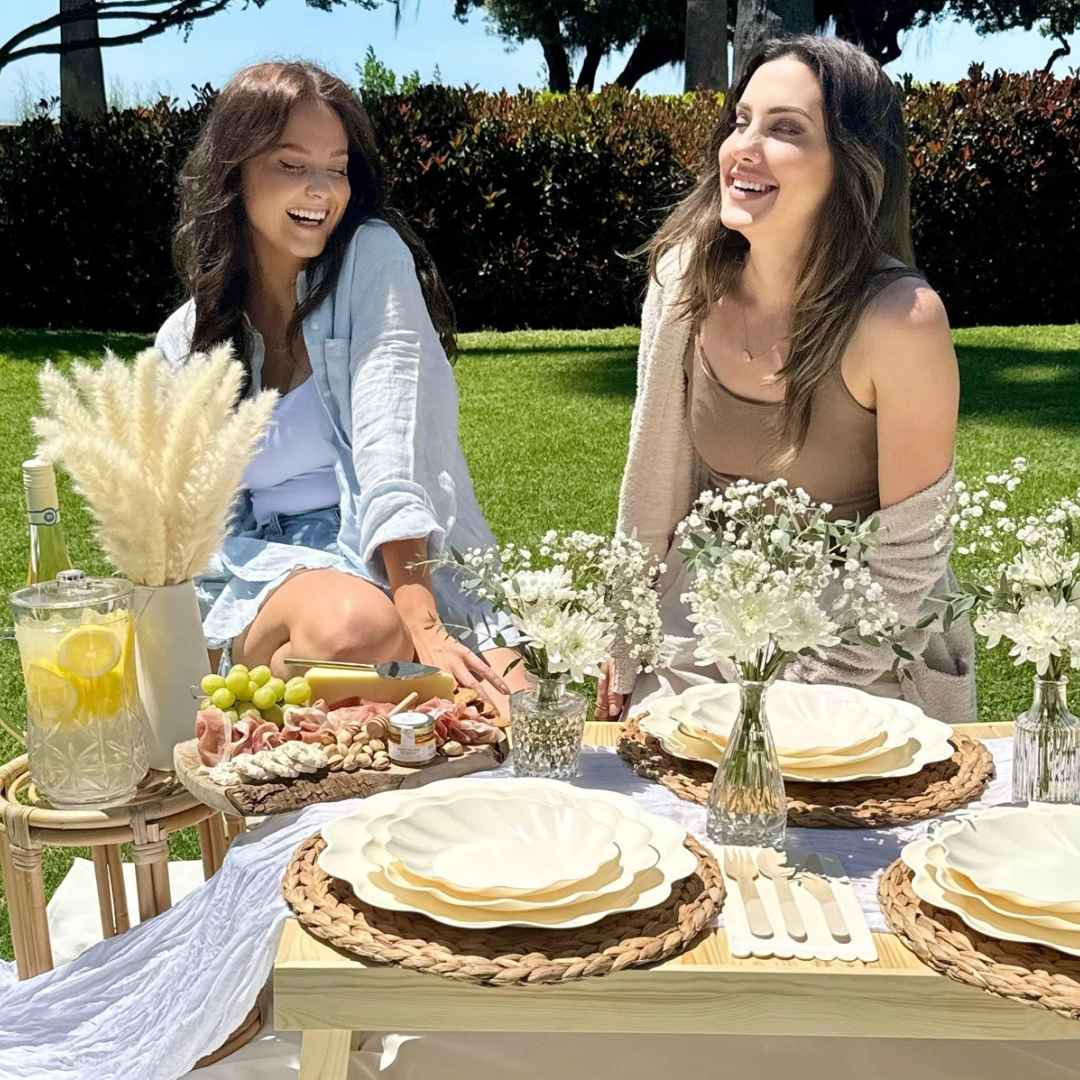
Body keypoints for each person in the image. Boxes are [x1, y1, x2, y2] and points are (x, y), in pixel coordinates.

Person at [597, 35, 975, 723]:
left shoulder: (900, 321)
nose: (744, 147)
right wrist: (626, 628)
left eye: (785, 130)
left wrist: (800, 690)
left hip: (860, 644)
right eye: (740, 121)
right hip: (702, 622)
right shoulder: (684, 280)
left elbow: (911, 564)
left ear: (851, 166)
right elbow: (654, 482)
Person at [154, 60, 524, 706]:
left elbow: (392, 447)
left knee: (518, 723)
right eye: (292, 166)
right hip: (266, 576)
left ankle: (368, 686)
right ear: (234, 172)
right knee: (356, 630)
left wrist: (428, 627)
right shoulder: (186, 341)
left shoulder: (371, 258)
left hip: (403, 562)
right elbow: (183, 528)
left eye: (337, 166)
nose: (321, 191)